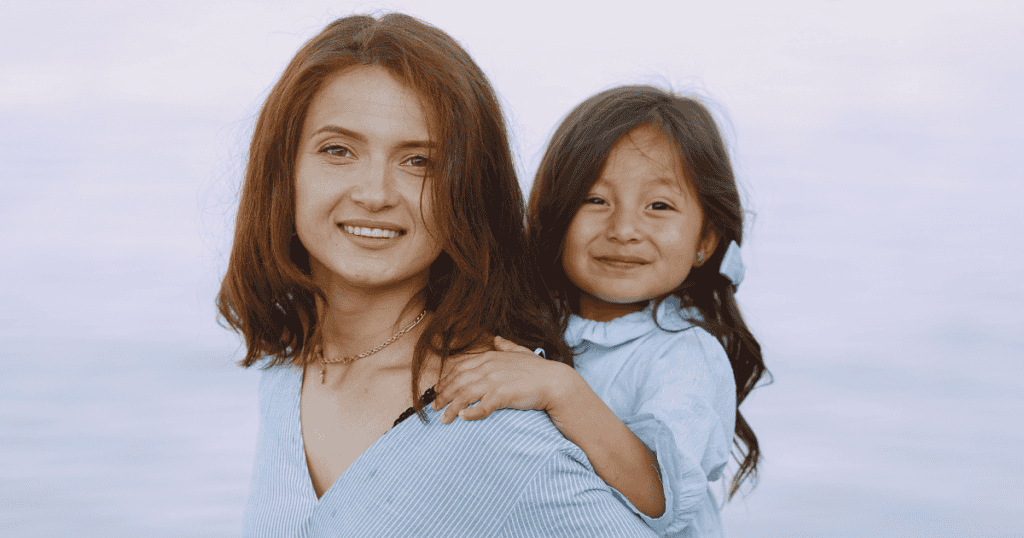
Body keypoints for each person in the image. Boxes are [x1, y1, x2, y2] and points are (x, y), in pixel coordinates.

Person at [216, 13, 658, 538]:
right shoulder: (288, 372)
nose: (375, 193)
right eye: (339, 150)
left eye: (420, 162)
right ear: (282, 170)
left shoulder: (494, 427)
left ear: (468, 193)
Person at [433, 86, 770, 537]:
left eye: (659, 206)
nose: (624, 229)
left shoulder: (685, 355)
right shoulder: (532, 322)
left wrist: (559, 388)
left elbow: (659, 496)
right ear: (556, 217)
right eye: (595, 200)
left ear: (705, 241)